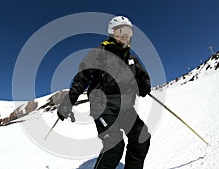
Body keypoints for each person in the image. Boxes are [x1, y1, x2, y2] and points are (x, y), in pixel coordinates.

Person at [57, 16, 151, 169]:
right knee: (114, 145)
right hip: (103, 106)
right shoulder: (100, 53)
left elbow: (143, 88)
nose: (125, 35)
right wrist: (68, 102)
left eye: (128, 31)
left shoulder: (132, 59)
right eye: (120, 31)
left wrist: (143, 82)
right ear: (112, 33)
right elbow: (82, 77)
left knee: (141, 137)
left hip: (125, 108)